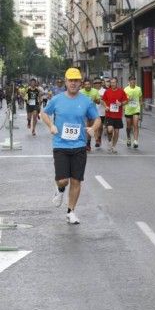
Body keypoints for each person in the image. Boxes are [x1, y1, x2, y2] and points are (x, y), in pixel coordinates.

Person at [41, 68, 101, 224]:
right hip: (61, 145)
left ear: (80, 82)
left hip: (79, 145)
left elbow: (97, 119)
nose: (73, 83)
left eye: (76, 80)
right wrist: (51, 126)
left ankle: (71, 211)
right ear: (66, 82)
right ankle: (60, 190)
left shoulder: (86, 101)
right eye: (71, 80)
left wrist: (93, 128)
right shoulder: (57, 99)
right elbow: (44, 113)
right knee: (63, 180)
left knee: (76, 181)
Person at [101, 77, 128, 154]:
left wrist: (121, 104)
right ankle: (109, 141)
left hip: (118, 115)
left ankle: (114, 146)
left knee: (116, 131)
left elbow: (126, 100)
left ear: (117, 83)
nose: (113, 84)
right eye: (111, 82)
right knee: (109, 129)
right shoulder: (107, 91)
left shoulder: (121, 91)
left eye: (114, 82)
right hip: (109, 114)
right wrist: (106, 106)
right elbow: (102, 100)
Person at [80, 78, 101, 151]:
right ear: (83, 85)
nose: (87, 86)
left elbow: (98, 102)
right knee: (87, 127)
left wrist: (94, 99)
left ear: (91, 85)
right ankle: (88, 144)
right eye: (85, 84)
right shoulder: (80, 92)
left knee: (94, 127)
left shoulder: (95, 91)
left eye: (88, 84)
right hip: (84, 112)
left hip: (93, 112)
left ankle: (96, 139)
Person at [124, 76, 143, 149]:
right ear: (129, 81)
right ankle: (128, 138)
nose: (133, 82)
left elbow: (140, 98)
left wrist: (140, 105)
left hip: (136, 109)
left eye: (134, 80)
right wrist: (128, 99)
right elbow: (124, 100)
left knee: (135, 124)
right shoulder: (126, 89)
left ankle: (135, 141)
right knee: (128, 126)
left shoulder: (138, 88)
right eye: (131, 80)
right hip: (128, 109)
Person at [93, 78, 107, 148]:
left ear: (101, 83)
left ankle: (99, 137)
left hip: (102, 112)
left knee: (100, 127)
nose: (97, 84)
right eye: (95, 83)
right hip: (93, 112)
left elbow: (107, 100)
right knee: (95, 127)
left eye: (98, 83)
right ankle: (97, 140)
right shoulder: (92, 91)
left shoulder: (104, 91)